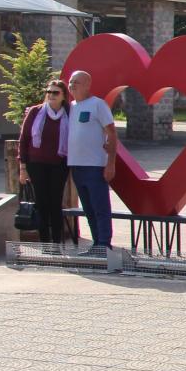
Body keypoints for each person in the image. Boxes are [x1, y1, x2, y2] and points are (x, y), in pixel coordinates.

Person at [64, 70, 117, 250]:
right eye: (70, 82)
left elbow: (111, 133)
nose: (72, 85)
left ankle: (104, 243)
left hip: (95, 166)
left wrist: (111, 163)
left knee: (100, 207)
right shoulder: (70, 107)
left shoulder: (98, 105)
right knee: (88, 208)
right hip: (76, 166)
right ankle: (96, 243)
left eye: (76, 82)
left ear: (88, 84)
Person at [17, 78, 72, 244]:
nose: (51, 95)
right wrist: (23, 167)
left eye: (55, 92)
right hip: (37, 164)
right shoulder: (35, 112)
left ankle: (56, 242)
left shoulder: (70, 112)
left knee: (55, 202)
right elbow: (24, 139)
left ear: (63, 95)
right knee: (41, 203)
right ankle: (44, 242)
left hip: (59, 164)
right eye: (49, 92)